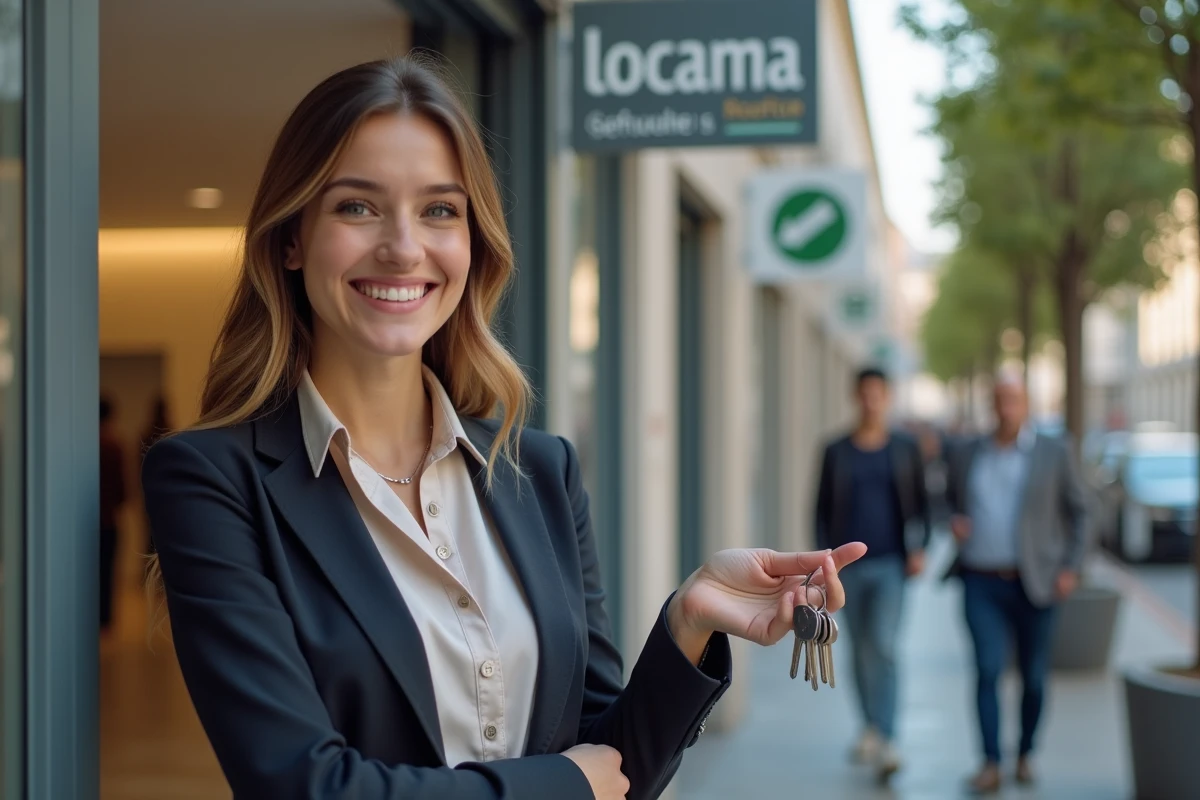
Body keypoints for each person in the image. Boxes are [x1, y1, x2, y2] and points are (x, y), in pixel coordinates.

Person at [141, 55, 868, 800]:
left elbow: (615, 767)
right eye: (356, 207)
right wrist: (561, 786)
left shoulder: (539, 471)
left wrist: (689, 620)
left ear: (473, 242)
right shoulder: (212, 482)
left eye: (439, 210)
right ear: (292, 239)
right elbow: (303, 785)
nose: (403, 247)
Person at [944, 375, 1089, 793]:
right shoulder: (969, 452)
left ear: (1027, 404)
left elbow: (1083, 511)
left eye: (1014, 400)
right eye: (999, 400)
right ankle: (990, 762)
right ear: (991, 405)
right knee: (987, 669)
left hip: (1036, 582)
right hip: (980, 580)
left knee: (1034, 676)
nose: (1006, 408)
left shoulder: (1054, 451)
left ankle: (1025, 753)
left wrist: (1071, 567)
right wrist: (953, 521)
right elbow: (948, 500)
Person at [814, 367, 930, 782]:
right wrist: (821, 566)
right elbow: (820, 510)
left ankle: (888, 736)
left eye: (878, 394)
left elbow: (922, 503)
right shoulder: (835, 450)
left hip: (891, 564)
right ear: (855, 397)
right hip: (846, 571)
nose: (871, 401)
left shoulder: (904, 448)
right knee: (859, 649)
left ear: (887, 397)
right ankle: (868, 725)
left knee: (883, 644)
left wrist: (920, 548)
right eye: (864, 394)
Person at [99, 395, 127, 633]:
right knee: (107, 571)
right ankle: (105, 617)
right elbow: (121, 490)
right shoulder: (113, 445)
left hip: (85, 523)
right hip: (108, 519)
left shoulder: (83, 445)